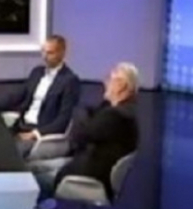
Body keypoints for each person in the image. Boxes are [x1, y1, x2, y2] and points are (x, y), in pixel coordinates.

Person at [29, 62, 140, 201]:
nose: (105, 83)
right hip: (86, 165)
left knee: (29, 177)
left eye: (109, 79)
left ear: (121, 85)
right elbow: (89, 116)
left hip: (85, 175)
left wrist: (82, 118)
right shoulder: (125, 111)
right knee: (33, 166)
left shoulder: (115, 116)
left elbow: (78, 136)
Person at [0, 35, 81, 157]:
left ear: (62, 53)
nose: (44, 57)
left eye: (50, 53)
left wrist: (35, 134)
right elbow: (19, 94)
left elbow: (63, 119)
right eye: (43, 52)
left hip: (39, 132)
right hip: (21, 125)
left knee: (7, 153)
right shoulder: (37, 72)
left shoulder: (69, 81)